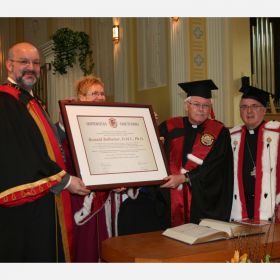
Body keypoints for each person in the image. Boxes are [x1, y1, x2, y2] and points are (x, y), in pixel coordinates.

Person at [0, 42, 90, 262]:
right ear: (9, 65)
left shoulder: (30, 100)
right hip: (25, 208)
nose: (31, 67)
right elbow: (21, 154)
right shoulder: (5, 101)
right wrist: (66, 181)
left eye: (36, 62)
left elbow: (46, 144)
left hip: (43, 201)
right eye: (24, 62)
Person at [118, 79, 233, 234]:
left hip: (202, 203)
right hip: (167, 204)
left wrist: (186, 178)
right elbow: (149, 153)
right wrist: (145, 125)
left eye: (206, 105)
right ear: (186, 105)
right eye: (196, 104)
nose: (201, 109)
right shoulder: (169, 127)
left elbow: (215, 166)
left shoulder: (219, 132)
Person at [56, 75, 125, 262]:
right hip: (79, 199)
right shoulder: (65, 124)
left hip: (107, 201)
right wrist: (65, 122)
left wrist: (122, 180)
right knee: (85, 248)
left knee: (107, 244)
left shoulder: (112, 123)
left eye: (102, 93)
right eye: (94, 93)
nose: (100, 97)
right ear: (81, 97)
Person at [230, 85, 280, 223]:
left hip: (271, 207)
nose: (249, 111)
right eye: (244, 107)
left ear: (264, 110)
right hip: (240, 208)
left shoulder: (277, 134)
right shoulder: (232, 136)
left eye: (254, 106)